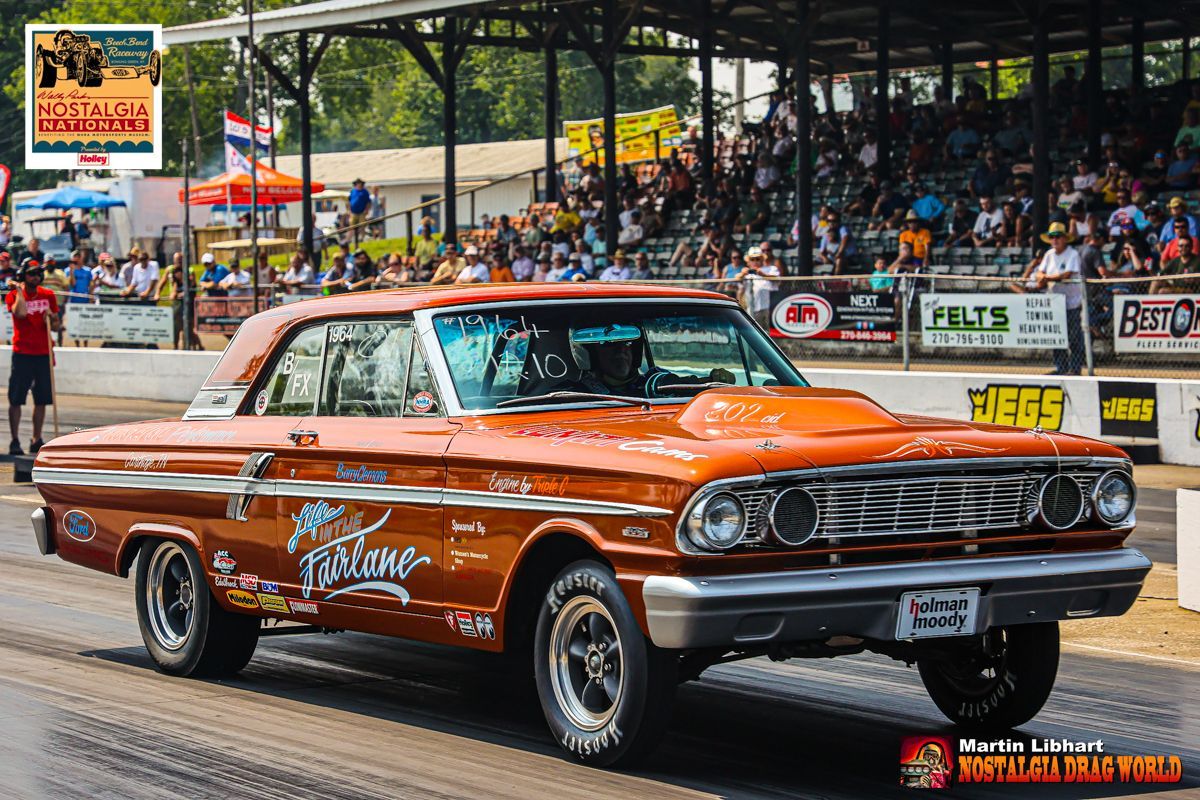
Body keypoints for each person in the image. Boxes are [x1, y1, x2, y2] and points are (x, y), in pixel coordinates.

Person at [568, 324, 733, 398]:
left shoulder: (655, 383)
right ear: (589, 354)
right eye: (609, 344)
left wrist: (714, 381)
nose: (621, 350)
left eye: (627, 343)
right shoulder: (574, 394)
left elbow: (680, 385)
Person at [5, 260, 60, 455]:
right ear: (23, 275)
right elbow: (20, 313)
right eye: (31, 274)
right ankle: (15, 440)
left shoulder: (48, 295)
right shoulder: (13, 295)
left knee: (42, 399)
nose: (35, 277)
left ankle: (37, 438)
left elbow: (56, 326)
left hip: (43, 353)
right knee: (16, 399)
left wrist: (52, 318)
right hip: (22, 353)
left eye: (38, 274)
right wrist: (20, 291)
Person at [1033, 222, 1085, 375]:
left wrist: (1046, 278)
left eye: (1057, 236)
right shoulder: (1049, 254)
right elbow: (1039, 272)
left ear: (1064, 238)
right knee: (1057, 337)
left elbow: (1067, 274)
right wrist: (1041, 276)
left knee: (1074, 337)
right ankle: (1061, 368)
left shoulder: (1072, 254)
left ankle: (1075, 369)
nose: (1054, 240)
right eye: (1052, 237)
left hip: (1071, 302)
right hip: (1055, 301)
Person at [736, 246, 780, 327]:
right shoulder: (746, 273)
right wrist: (742, 274)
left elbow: (777, 279)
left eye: (757, 259)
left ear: (762, 260)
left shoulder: (771, 269)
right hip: (750, 307)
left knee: (766, 331)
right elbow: (736, 279)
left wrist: (763, 274)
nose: (755, 261)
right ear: (748, 261)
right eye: (752, 259)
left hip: (767, 307)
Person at [348, 178, 370, 244]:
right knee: (352, 226)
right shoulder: (353, 191)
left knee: (362, 226)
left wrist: (366, 210)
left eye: (360, 183)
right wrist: (349, 210)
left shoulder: (365, 192)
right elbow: (349, 201)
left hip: (362, 212)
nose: (359, 184)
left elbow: (368, 202)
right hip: (353, 212)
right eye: (357, 183)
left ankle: (362, 238)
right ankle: (349, 240)